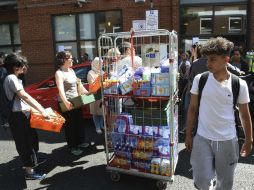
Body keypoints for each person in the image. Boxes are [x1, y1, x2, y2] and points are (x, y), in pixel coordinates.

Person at [185, 37, 253, 190]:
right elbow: (192, 108)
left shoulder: (238, 84)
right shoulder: (199, 79)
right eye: (207, 59)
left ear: (226, 59)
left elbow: (244, 115)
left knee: (225, 184)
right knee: (201, 181)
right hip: (202, 138)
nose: (208, 63)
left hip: (228, 141)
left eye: (213, 59)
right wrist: (188, 135)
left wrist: (249, 140)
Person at [3, 53, 49, 180]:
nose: (25, 67)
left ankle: (32, 162)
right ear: (16, 66)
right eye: (22, 64)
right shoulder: (11, 78)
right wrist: (41, 110)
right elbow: (25, 96)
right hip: (18, 117)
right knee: (25, 143)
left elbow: (22, 99)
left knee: (31, 140)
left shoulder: (14, 78)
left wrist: (35, 109)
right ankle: (29, 172)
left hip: (22, 115)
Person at [55, 51, 89, 156]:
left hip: (76, 101)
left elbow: (78, 84)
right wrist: (66, 102)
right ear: (63, 60)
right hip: (67, 103)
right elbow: (60, 89)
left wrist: (87, 94)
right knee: (70, 126)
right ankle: (72, 147)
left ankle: (80, 142)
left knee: (79, 123)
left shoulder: (71, 71)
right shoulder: (59, 73)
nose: (72, 60)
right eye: (70, 58)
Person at [87, 57, 104, 134]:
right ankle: (97, 127)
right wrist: (101, 82)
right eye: (100, 64)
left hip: (101, 94)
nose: (101, 65)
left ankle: (101, 125)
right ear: (96, 63)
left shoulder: (102, 72)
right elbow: (92, 84)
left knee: (101, 112)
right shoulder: (90, 72)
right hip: (93, 95)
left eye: (102, 63)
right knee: (95, 112)